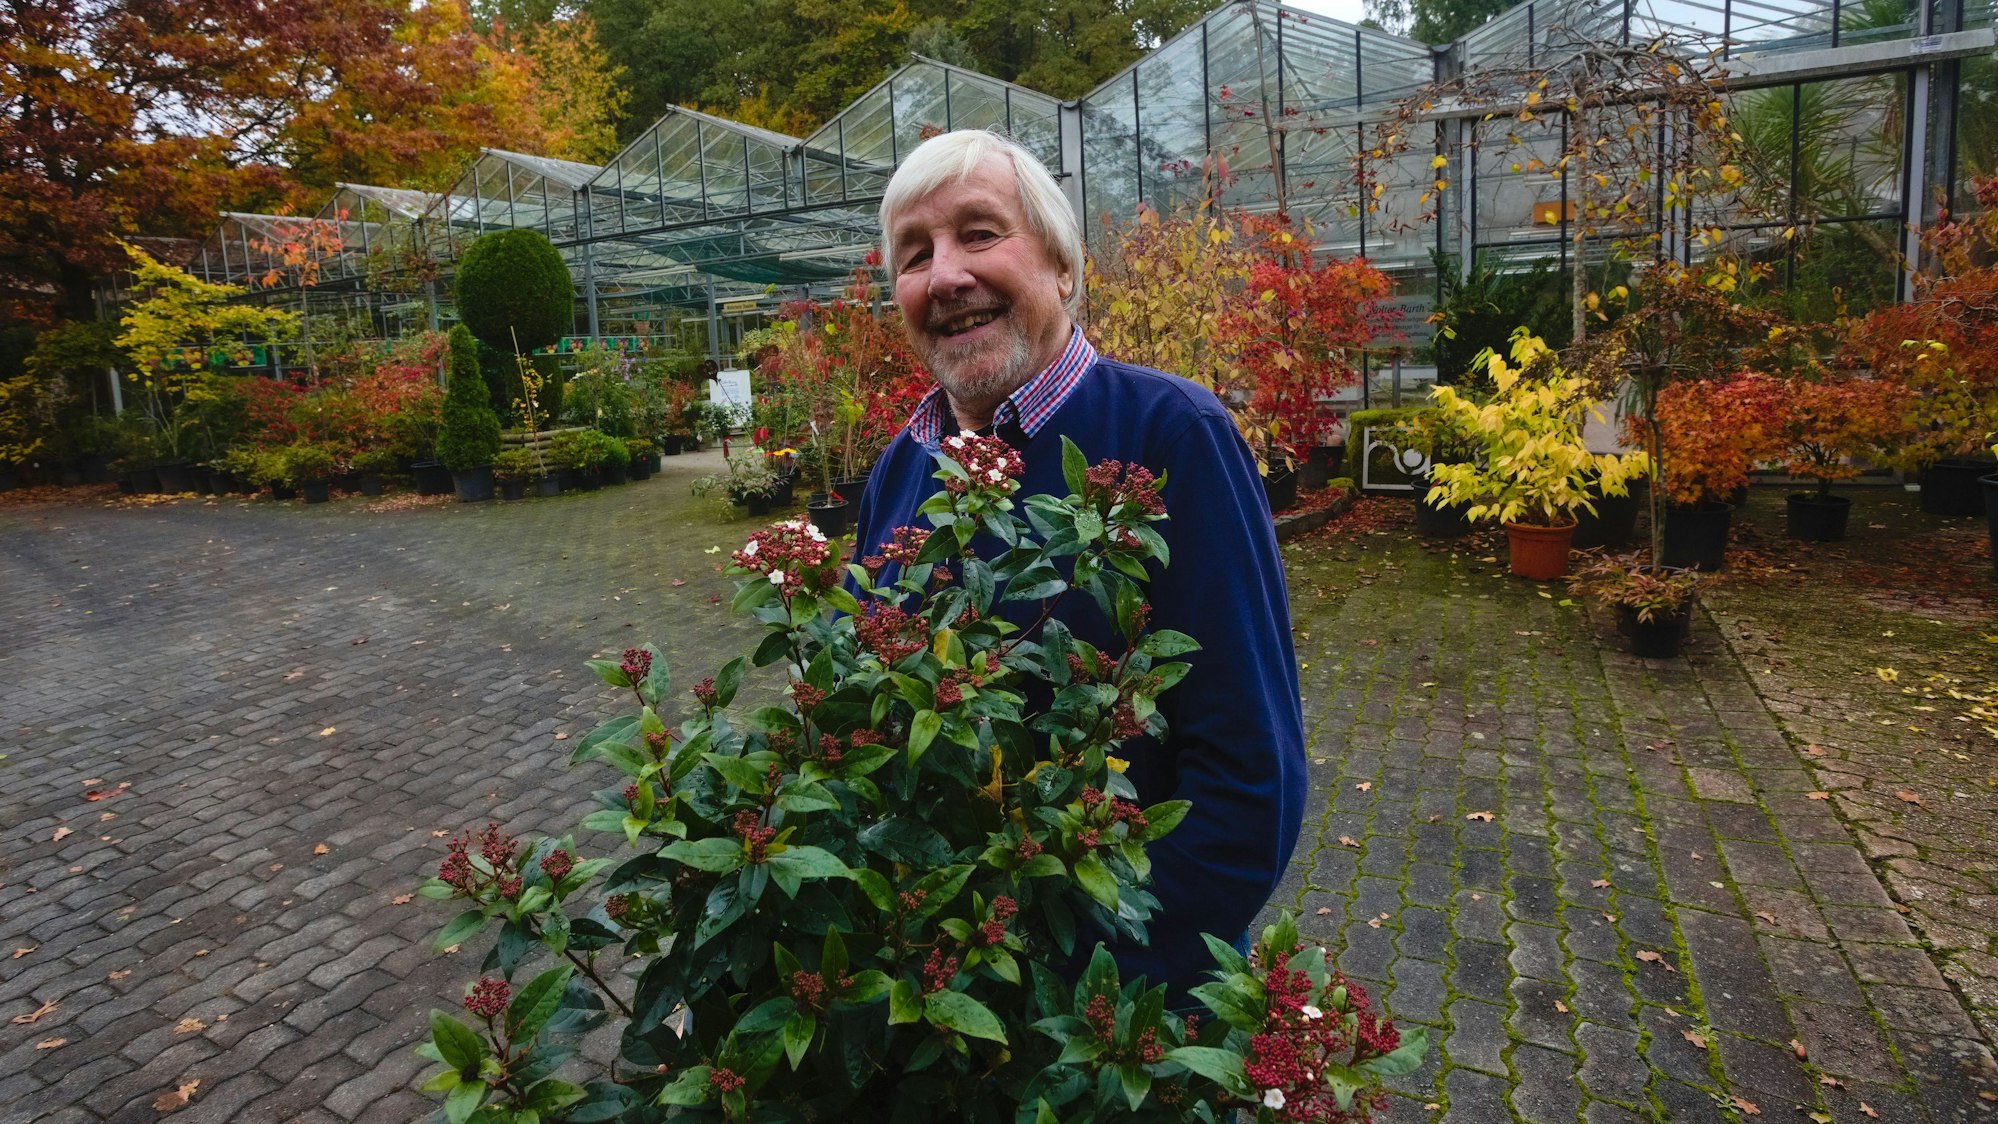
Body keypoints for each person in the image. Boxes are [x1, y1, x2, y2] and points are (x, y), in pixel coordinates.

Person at [850, 128, 1306, 996]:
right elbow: (858, 724)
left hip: (1114, 1011)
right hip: (934, 1001)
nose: (946, 275)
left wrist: (1071, 983)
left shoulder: (1172, 436)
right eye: (914, 254)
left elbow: (1250, 783)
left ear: (1062, 266)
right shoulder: (901, 470)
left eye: (979, 234)